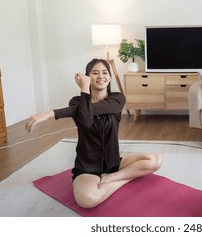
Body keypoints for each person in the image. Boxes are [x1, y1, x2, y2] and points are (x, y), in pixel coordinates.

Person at [26, 58, 162, 208]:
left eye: (105, 72)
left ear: (109, 77)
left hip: (114, 162)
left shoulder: (117, 99)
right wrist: (84, 90)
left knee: (155, 160)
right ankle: (125, 178)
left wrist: (49, 113)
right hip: (87, 167)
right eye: (95, 73)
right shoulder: (77, 102)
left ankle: (113, 178)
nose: (101, 76)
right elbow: (85, 121)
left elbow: (96, 108)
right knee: (87, 200)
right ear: (87, 77)